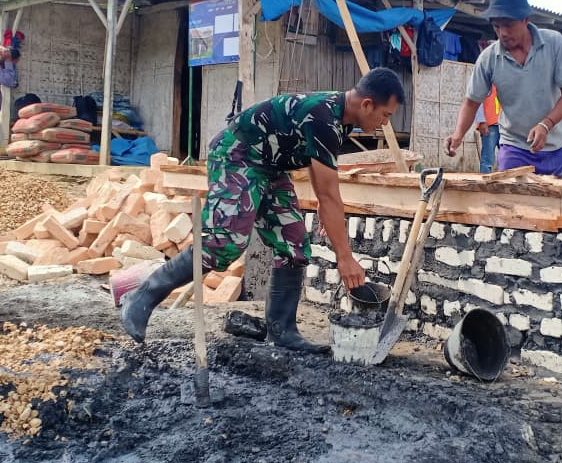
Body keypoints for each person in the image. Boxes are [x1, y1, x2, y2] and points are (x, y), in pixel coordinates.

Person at [121, 67, 405, 352]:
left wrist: (322, 201)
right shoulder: (324, 117)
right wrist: (345, 259)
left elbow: (319, 175)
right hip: (238, 154)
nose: (384, 123)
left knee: (294, 244)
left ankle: (282, 332)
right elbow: (331, 194)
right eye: (385, 115)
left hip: (270, 166)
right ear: (367, 104)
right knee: (224, 242)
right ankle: (144, 295)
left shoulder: (340, 119)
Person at [444, 0, 562, 178]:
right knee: (508, 205)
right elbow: (471, 101)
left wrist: (546, 124)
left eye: (508, 25)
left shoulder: (554, 43)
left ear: (526, 19)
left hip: (557, 145)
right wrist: (458, 134)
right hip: (515, 148)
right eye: (496, 26)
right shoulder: (488, 58)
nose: (502, 33)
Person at [474, 85, 501, 173]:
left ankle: (507, 184)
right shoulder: (486, 82)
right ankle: (484, 185)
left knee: (509, 159)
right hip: (490, 126)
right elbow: (477, 100)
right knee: (487, 159)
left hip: (506, 126)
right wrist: (481, 121)